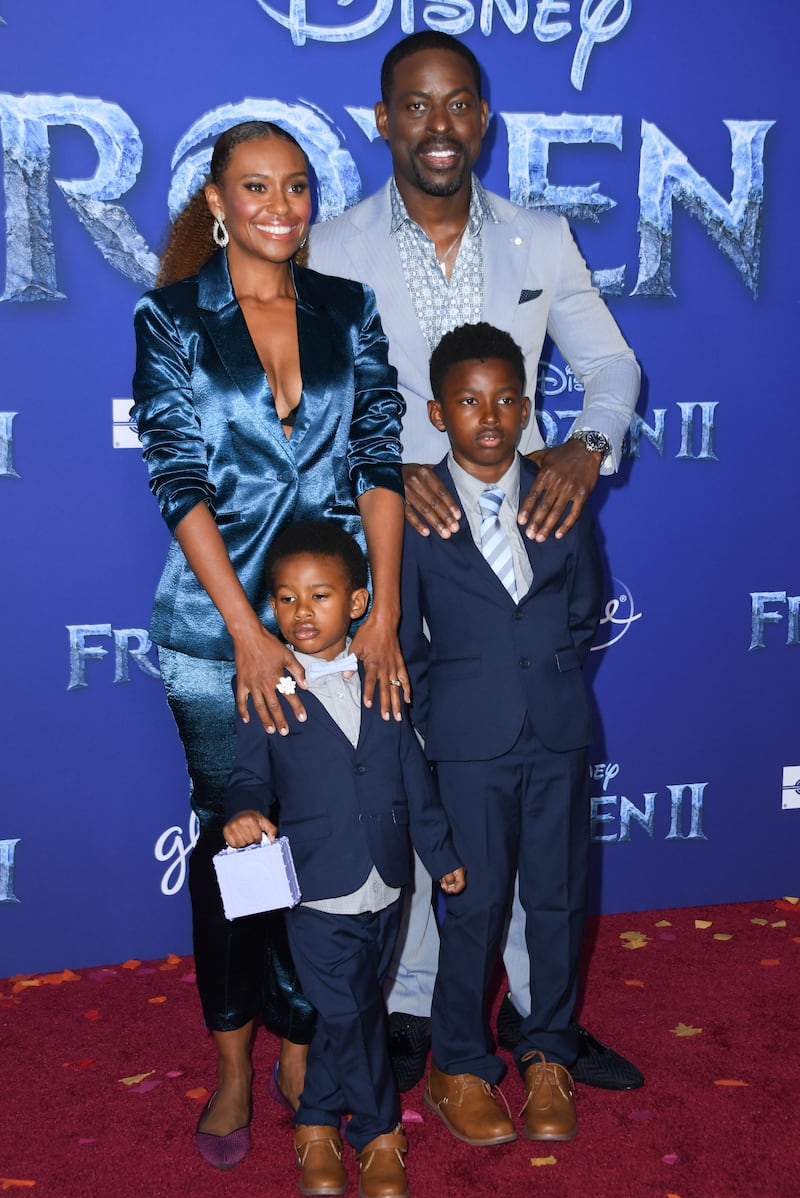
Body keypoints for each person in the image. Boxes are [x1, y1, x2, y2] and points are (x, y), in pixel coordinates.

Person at [308, 30, 642, 1092]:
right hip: (387, 545)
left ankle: (537, 1013)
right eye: (414, 105)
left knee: (522, 790)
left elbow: (609, 367)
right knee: (415, 775)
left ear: (482, 119)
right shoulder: (332, 248)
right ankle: (415, 1008)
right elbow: (308, 409)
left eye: (456, 105)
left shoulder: (540, 239)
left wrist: (581, 449)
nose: (436, 125)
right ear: (382, 121)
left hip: (507, 538)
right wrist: (385, 464)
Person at [131, 120, 408, 1170]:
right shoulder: (171, 319)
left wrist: (378, 613)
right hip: (217, 638)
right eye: (255, 187)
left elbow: (379, 456)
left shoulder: (348, 309)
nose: (280, 207)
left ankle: (303, 1050)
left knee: (330, 844)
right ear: (215, 199)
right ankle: (235, 1060)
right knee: (242, 849)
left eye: (295, 187)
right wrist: (246, 634)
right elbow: (177, 478)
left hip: (339, 628)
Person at [399, 321, 601, 1143]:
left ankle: (547, 1053)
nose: (491, 415)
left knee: (555, 902)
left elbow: (585, 607)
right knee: (473, 909)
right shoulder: (416, 512)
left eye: (507, 399)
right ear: (439, 413)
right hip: (466, 744)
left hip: (556, 734)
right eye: (469, 401)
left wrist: (544, 677)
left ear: (526, 407)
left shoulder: (561, 491)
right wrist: (443, 718)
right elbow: (404, 642)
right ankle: (458, 1063)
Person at [223, 521, 465, 1198]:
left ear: (357, 603)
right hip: (316, 891)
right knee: (357, 1013)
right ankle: (379, 1132)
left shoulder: (382, 677)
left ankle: (317, 1120)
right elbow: (247, 777)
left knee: (348, 1010)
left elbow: (412, 776)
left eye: (320, 595)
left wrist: (439, 853)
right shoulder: (268, 687)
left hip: (388, 884)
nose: (302, 611)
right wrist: (243, 812)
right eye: (286, 598)